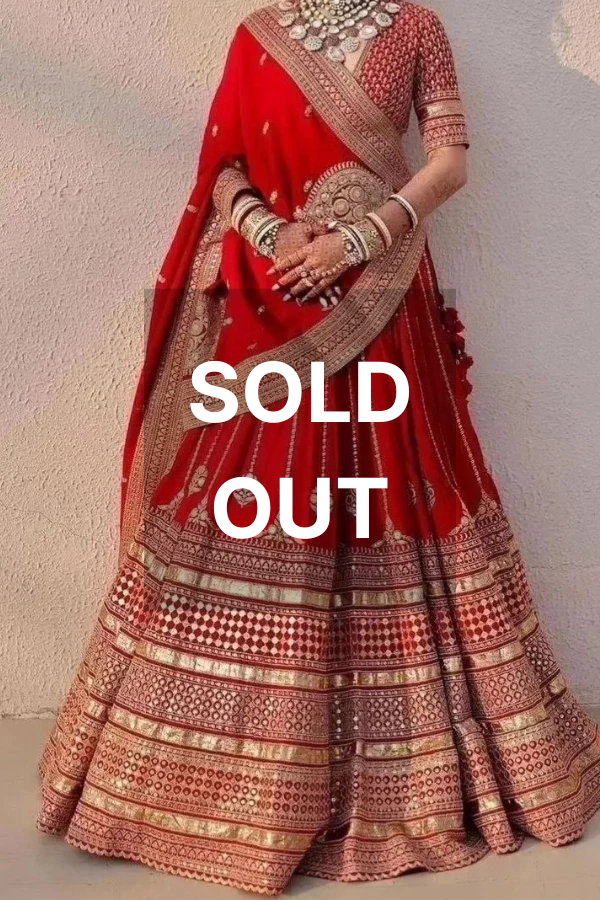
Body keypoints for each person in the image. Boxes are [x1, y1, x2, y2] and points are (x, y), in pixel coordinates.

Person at [36, 1, 600, 894]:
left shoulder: (416, 26)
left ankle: (406, 774)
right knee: (249, 494)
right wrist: (271, 234)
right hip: (270, 297)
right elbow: (225, 168)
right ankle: (231, 775)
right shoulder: (257, 34)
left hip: (380, 293)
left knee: (397, 493)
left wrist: (359, 239)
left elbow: (450, 161)